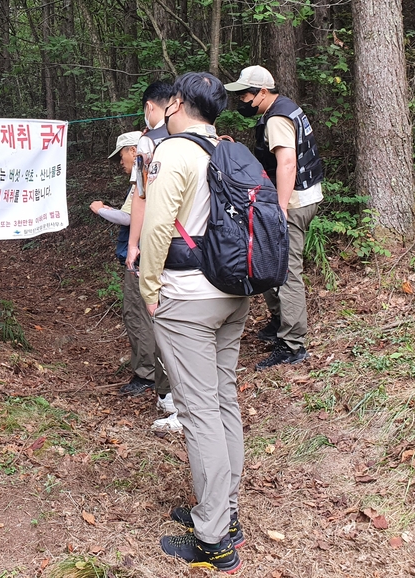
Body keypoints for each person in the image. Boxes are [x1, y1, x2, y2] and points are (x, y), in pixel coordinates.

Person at [138, 72, 248, 573]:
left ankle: (213, 538)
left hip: (188, 300)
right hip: (233, 293)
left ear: (177, 102)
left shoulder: (174, 153)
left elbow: (159, 225)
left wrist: (148, 286)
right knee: (223, 400)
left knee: (199, 411)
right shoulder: (225, 149)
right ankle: (224, 511)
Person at [225, 65, 323, 370]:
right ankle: (280, 321)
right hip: (301, 197)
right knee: (270, 261)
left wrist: (279, 209)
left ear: (262, 92)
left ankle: (292, 344)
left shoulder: (278, 118)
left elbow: (287, 163)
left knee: (286, 271)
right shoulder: (286, 109)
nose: (241, 99)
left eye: (245, 94)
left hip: (292, 203)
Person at [90, 132, 179, 432]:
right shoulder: (159, 170)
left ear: (133, 150)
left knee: (139, 315)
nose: (120, 164)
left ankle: (146, 375)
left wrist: (100, 209)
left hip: (141, 258)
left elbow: (129, 219)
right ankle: (157, 377)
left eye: (121, 157)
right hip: (152, 256)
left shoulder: (144, 174)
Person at [121, 82, 177, 400]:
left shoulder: (148, 143)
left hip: (156, 242)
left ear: (150, 107)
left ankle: (165, 391)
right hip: (192, 244)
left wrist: (133, 245)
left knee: (149, 310)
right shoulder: (197, 137)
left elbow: (139, 199)